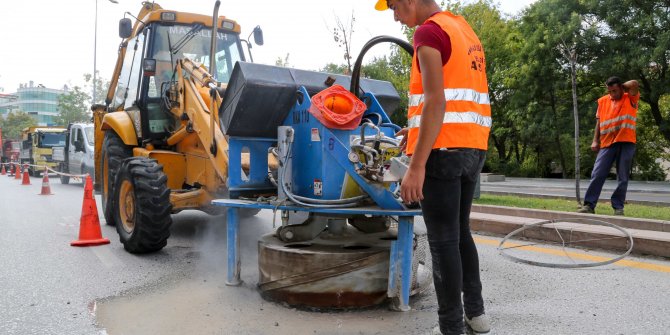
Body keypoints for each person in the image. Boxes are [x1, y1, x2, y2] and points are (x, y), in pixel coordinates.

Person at [374, 1, 492, 334]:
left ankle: (450, 327)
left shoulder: (428, 32)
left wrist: (416, 166)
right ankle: (477, 315)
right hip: (472, 146)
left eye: (395, 6)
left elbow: (436, 100)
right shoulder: (462, 28)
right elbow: (456, 100)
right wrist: (413, 131)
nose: (396, 15)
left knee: (442, 242)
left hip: (442, 153)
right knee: (460, 234)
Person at [578, 77, 639, 216]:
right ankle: (589, 205)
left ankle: (618, 207)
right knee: (597, 173)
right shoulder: (603, 101)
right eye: (609, 91)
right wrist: (595, 141)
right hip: (607, 143)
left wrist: (623, 87)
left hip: (626, 141)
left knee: (622, 176)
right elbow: (598, 123)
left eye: (614, 90)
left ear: (621, 88)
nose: (612, 93)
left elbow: (634, 83)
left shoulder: (630, 97)